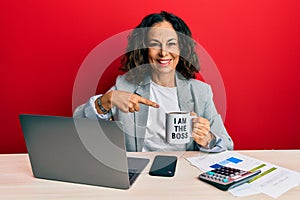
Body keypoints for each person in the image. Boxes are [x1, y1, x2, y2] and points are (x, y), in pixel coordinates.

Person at [74, 11, 233, 152]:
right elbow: (78, 124)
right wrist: (105, 101)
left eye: (171, 44)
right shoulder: (125, 86)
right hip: (141, 176)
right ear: (144, 48)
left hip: (185, 174)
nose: (164, 53)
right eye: (155, 44)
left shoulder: (200, 92)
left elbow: (227, 144)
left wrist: (207, 139)